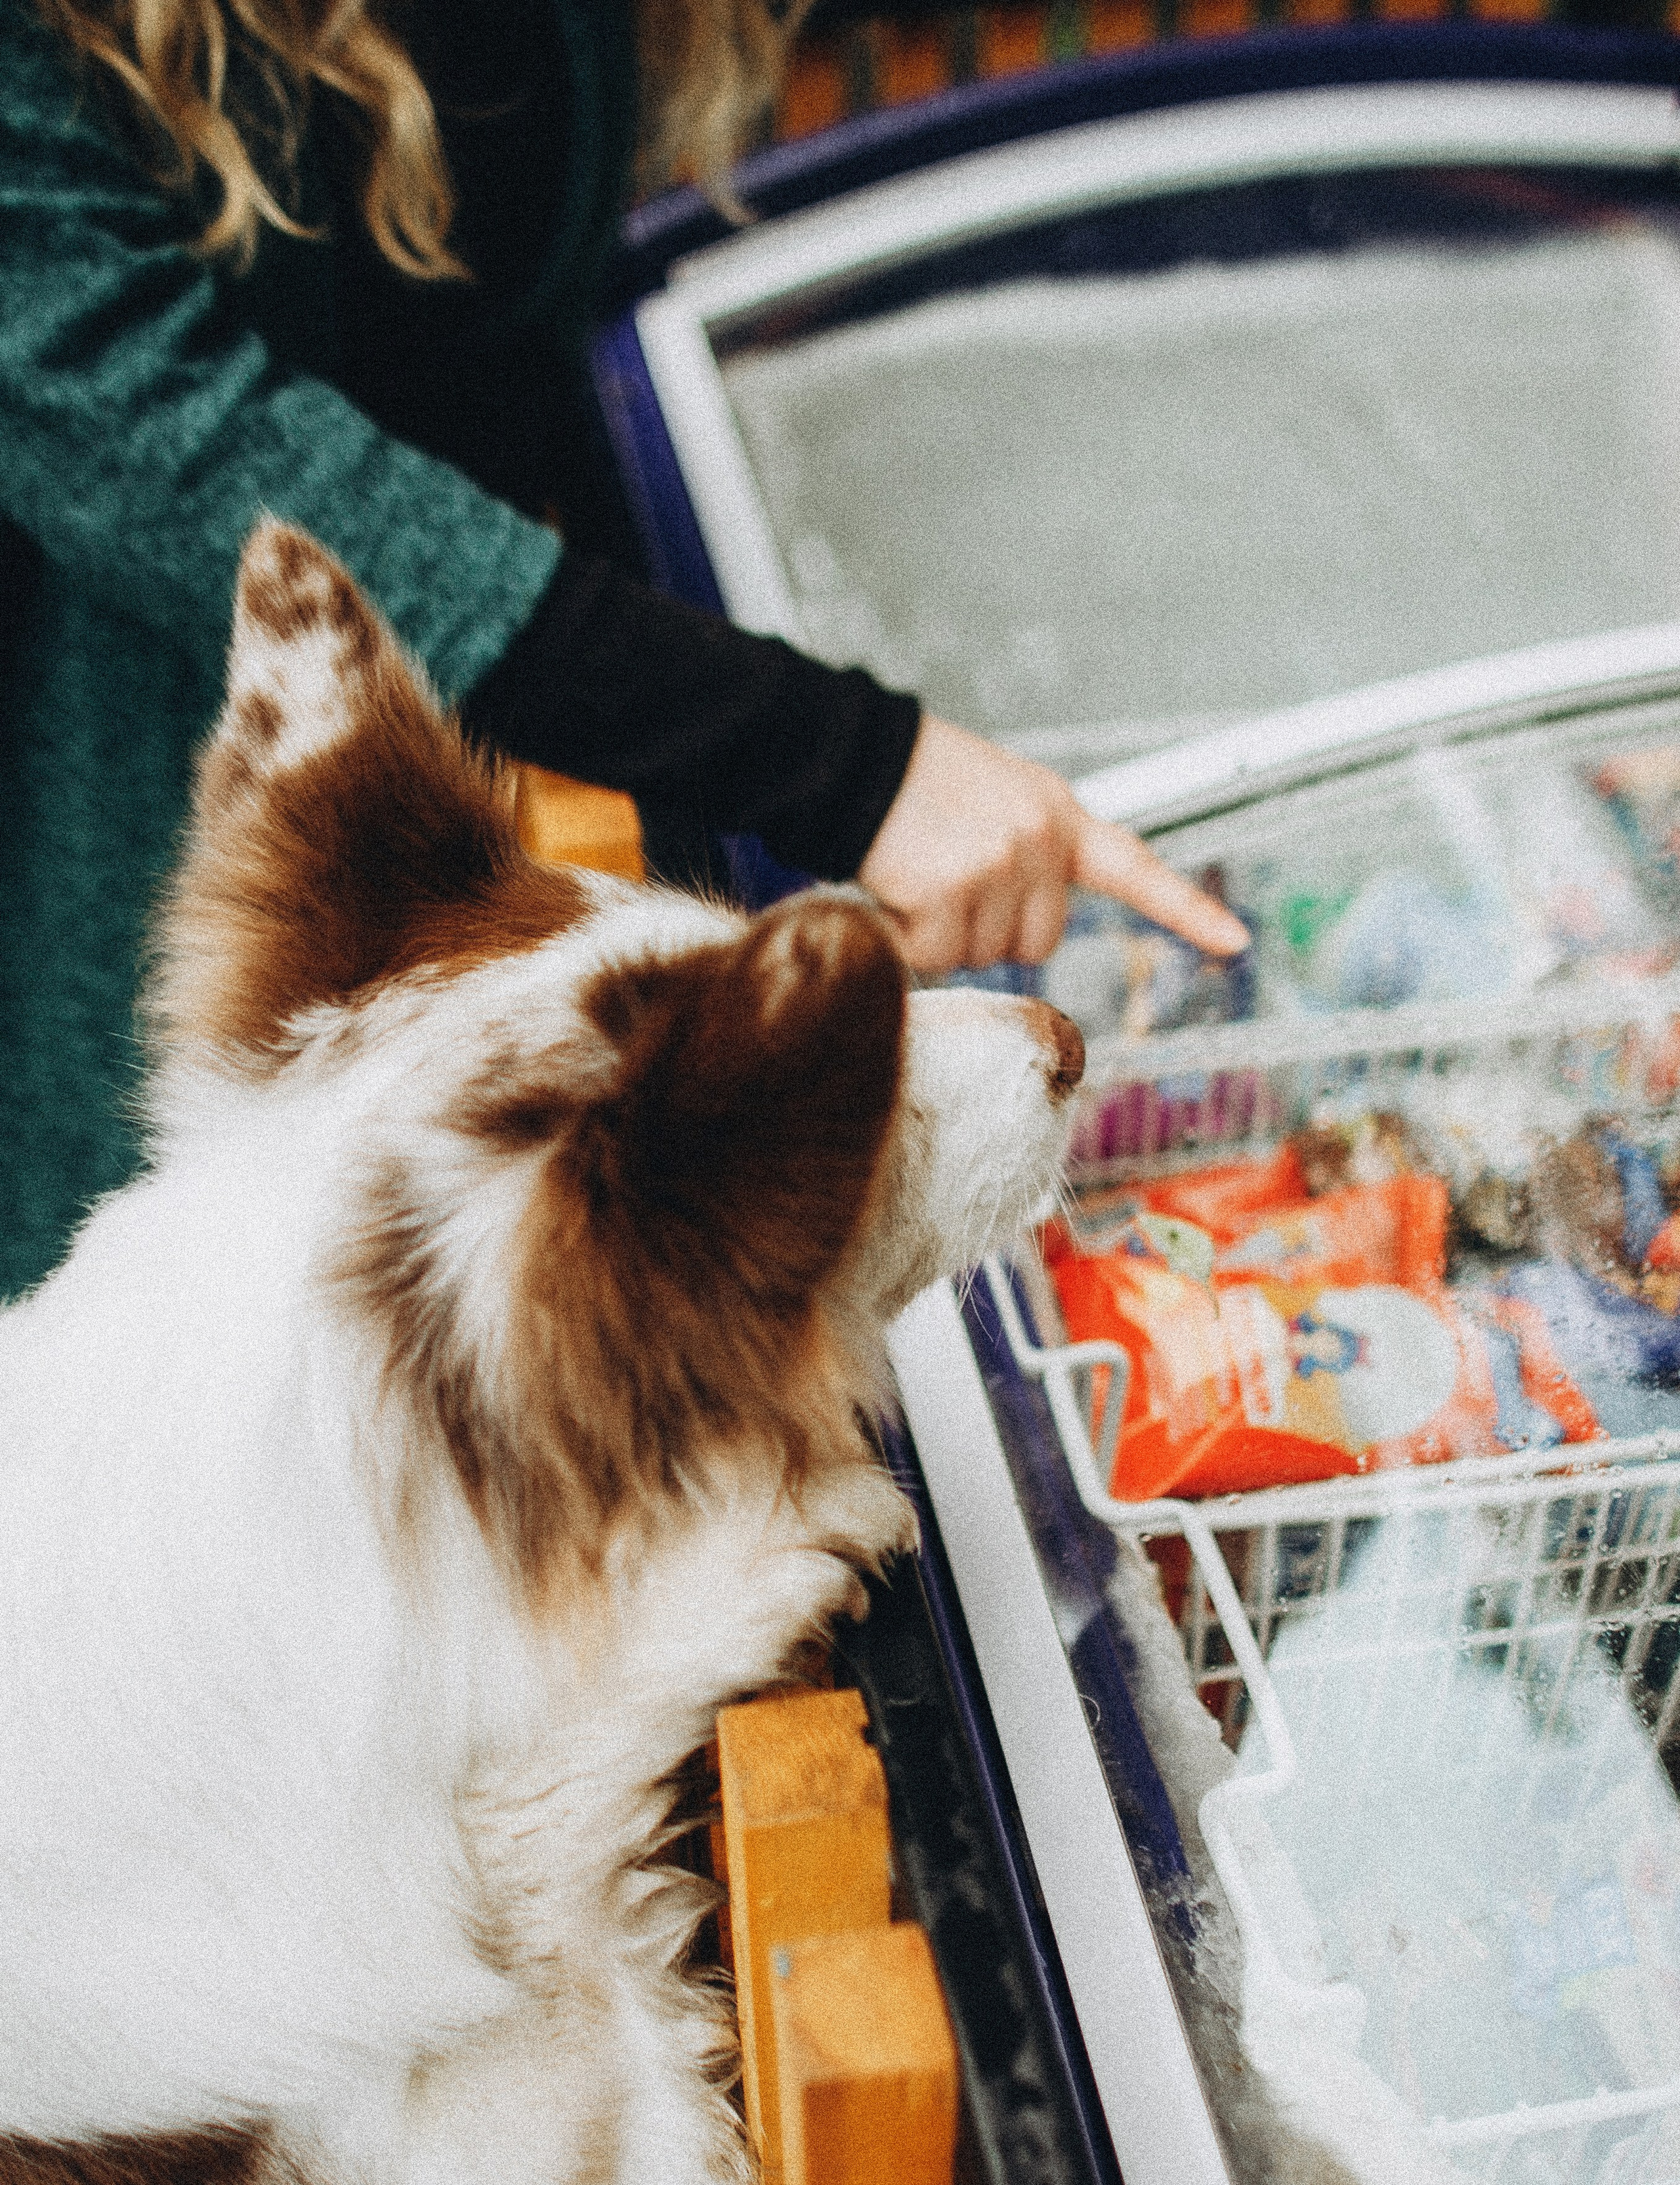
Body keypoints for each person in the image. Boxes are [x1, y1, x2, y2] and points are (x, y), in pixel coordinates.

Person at [0, 0, 1246, 1301]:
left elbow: (503, 383)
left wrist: (735, 838)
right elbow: (168, 440)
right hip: (109, 886)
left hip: (436, 848)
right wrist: (847, 768)